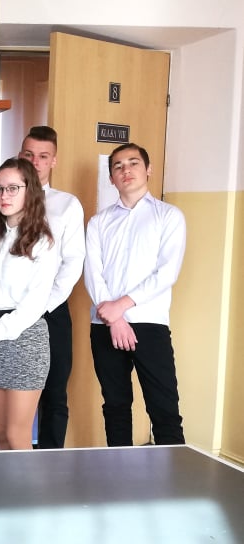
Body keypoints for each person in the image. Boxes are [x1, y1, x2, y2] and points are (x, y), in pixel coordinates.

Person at [84, 143, 186, 446]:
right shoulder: (98, 222)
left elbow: (166, 272)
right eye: (118, 166)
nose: (125, 170)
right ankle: (119, 471)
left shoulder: (168, 216)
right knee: (115, 407)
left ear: (148, 169)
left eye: (133, 163)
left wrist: (121, 307)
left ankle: (175, 474)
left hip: (150, 324)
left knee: (164, 409)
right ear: (111, 178)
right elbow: (93, 274)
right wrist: (113, 318)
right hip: (104, 326)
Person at [0, 158, 58, 451]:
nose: (4, 195)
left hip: (24, 340)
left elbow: (33, 306)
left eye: (13, 188)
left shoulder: (42, 241)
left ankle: (30, 486)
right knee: (0, 436)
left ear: (31, 191)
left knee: (18, 437)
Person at [18, 126, 85, 449]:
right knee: (10, 391)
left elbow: (73, 262)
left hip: (50, 312)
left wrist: (42, 307)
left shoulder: (67, 205)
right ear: (20, 156)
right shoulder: (4, 198)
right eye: (29, 155)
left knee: (54, 392)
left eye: (43, 156)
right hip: (9, 312)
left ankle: (50, 461)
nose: (35, 162)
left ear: (53, 161)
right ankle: (9, 463)